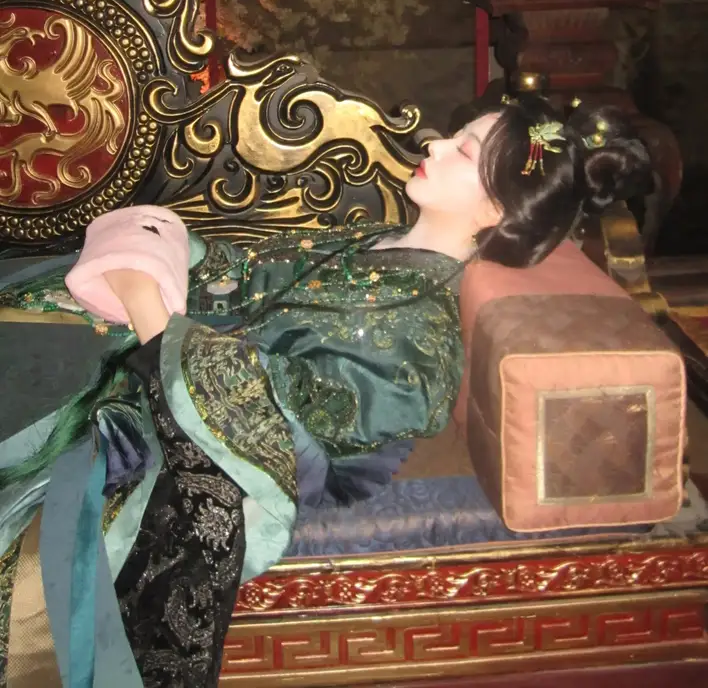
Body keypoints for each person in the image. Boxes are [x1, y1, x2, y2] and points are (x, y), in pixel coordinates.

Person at [0, 93, 650, 688]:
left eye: (463, 150)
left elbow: (280, 423)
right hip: (154, 336)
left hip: (152, 390)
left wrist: (150, 308)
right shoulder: (372, 238)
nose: (434, 143)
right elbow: (251, 275)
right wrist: (165, 249)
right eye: (453, 135)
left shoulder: (418, 336)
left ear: (496, 210)